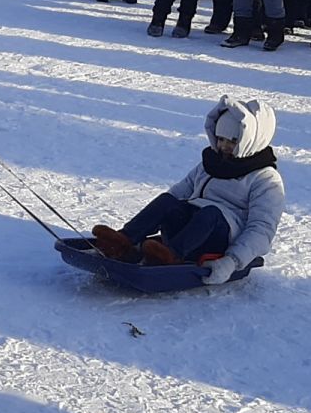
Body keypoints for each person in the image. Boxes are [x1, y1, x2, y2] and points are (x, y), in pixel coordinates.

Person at [90, 97, 283, 285]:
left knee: (210, 213)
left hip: (219, 239)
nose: (224, 146)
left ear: (250, 140)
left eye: (232, 141)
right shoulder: (211, 163)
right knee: (168, 200)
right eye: (220, 138)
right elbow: (178, 193)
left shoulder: (265, 179)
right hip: (189, 229)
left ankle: (168, 256)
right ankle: (123, 242)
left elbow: (262, 228)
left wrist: (232, 261)